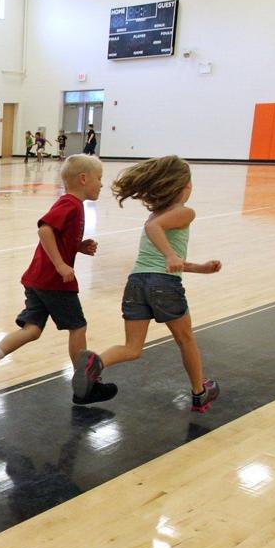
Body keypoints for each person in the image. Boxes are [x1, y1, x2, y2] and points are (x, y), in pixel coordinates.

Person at [0, 155, 117, 405]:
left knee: (32, 330)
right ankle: (85, 386)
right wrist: (60, 264)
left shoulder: (73, 205)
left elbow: (57, 236)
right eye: (99, 178)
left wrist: (76, 247)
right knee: (77, 326)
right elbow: (44, 229)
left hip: (37, 278)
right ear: (83, 178)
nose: (101, 184)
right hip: (53, 280)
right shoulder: (70, 203)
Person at [72, 156, 222, 412]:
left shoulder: (157, 214)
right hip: (164, 285)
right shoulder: (184, 212)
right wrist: (171, 255)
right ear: (184, 186)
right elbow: (157, 235)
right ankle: (199, 392)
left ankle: (95, 363)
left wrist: (199, 268)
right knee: (186, 339)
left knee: (132, 348)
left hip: (136, 283)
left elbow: (159, 256)